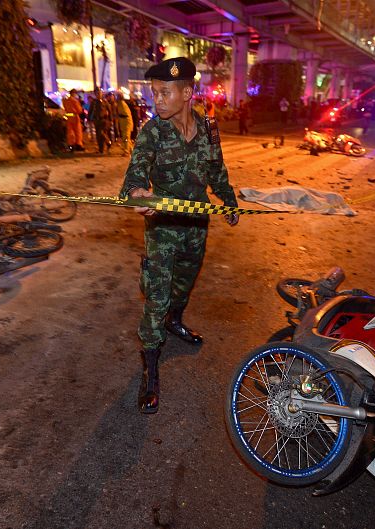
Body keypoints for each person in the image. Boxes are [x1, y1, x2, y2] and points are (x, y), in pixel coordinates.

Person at [119, 57, 239, 414]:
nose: (156, 100)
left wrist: (229, 201)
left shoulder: (209, 129)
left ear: (187, 93)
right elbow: (134, 176)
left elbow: (217, 170)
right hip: (163, 229)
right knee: (157, 295)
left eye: (164, 93)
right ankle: (150, 365)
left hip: (196, 227)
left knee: (184, 283)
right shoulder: (151, 132)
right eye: (154, 93)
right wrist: (138, 193)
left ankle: (175, 320)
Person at [89, 89, 112, 154]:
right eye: (97, 93)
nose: (98, 95)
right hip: (96, 120)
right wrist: (89, 118)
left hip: (104, 120)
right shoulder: (94, 102)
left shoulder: (105, 102)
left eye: (99, 93)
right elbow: (90, 111)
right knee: (98, 135)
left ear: (102, 94)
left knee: (101, 133)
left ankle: (108, 142)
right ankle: (101, 149)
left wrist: (111, 120)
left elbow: (110, 111)